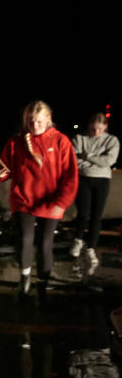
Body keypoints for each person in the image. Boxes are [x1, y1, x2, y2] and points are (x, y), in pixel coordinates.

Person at [0, 101, 78, 302]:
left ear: (48, 120)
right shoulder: (15, 142)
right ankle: (24, 280)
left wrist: (62, 201)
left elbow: (70, 175)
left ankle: (43, 283)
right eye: (31, 122)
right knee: (24, 239)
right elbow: (5, 170)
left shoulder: (61, 141)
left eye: (39, 122)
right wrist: (2, 173)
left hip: (51, 200)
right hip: (24, 198)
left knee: (45, 243)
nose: (35, 126)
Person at [69, 112, 118, 271]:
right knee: (83, 213)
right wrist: (95, 161)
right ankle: (78, 240)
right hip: (83, 178)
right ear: (88, 126)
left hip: (103, 180)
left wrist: (87, 155)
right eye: (93, 129)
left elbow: (109, 161)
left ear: (105, 127)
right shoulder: (79, 138)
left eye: (99, 129)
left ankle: (91, 248)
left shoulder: (112, 140)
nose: (96, 133)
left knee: (97, 215)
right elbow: (73, 159)